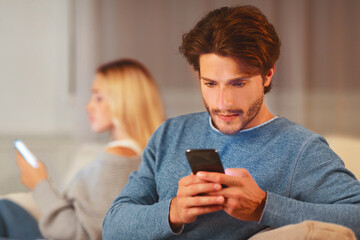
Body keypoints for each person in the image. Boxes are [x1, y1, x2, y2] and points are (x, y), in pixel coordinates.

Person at [102, 5, 360, 240]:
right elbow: (112, 226)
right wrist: (174, 211)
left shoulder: (300, 148)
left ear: (268, 74)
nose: (223, 102)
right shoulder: (169, 133)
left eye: (238, 83)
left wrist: (263, 207)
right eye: (211, 84)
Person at [0, 58, 165, 239]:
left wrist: (39, 184)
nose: (89, 106)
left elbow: (79, 234)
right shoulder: (138, 155)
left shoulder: (117, 158)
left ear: (125, 102)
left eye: (99, 97)